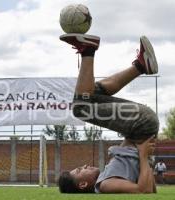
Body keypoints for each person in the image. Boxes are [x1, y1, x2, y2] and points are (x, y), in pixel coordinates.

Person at [58, 33, 159, 193]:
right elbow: (144, 191)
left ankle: (141, 65)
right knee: (80, 108)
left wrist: (144, 159)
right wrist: (144, 157)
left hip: (139, 128)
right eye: (79, 170)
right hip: (141, 125)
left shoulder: (107, 176)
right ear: (83, 184)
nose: (84, 165)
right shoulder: (105, 185)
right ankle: (88, 50)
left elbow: (152, 190)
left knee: (90, 93)